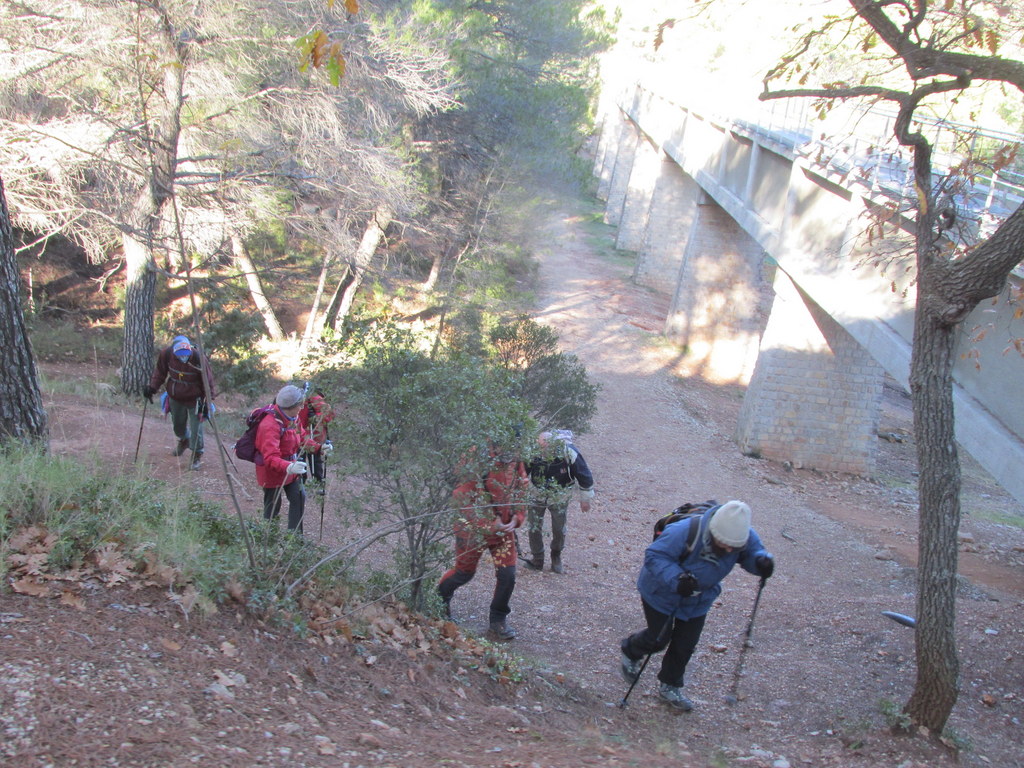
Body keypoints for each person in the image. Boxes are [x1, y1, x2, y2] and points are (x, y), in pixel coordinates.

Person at [619, 500, 774, 711]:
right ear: (713, 531)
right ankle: (631, 650)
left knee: (685, 645)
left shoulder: (743, 535)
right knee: (658, 638)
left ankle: (670, 686)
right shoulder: (683, 531)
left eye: (733, 547)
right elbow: (654, 556)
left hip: (699, 599)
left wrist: (761, 563)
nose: (729, 548)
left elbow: (753, 554)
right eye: (724, 543)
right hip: (661, 592)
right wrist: (677, 579)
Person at [437, 447, 529, 641]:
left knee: (508, 575)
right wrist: (487, 525)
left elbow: (521, 488)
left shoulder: (516, 458)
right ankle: (438, 603)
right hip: (471, 531)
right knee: (464, 573)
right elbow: (461, 500)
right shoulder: (475, 457)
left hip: (502, 529)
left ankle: (498, 620)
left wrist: (517, 517)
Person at [523, 430, 595, 574]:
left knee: (559, 528)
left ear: (553, 444)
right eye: (540, 447)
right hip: (536, 493)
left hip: (560, 496)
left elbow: (584, 475)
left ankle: (556, 555)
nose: (542, 451)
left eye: (545, 448)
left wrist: (585, 500)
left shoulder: (569, 452)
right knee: (533, 526)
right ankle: (537, 558)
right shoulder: (533, 452)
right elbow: (522, 471)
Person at [143, 335, 216, 471]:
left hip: (196, 400)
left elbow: (209, 382)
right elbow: (160, 372)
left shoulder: (198, 358)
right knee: (178, 425)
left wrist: (207, 403)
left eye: (186, 355)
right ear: (174, 351)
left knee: (197, 430)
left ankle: (196, 455)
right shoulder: (167, 354)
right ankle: (184, 440)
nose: (183, 358)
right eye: (180, 355)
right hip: (175, 397)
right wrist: (152, 387)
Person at [256, 384, 308, 533]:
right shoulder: (269, 425)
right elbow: (270, 458)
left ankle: (294, 540)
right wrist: (289, 467)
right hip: (272, 473)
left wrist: (319, 447)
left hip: (291, 470)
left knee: (299, 497)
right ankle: (268, 542)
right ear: (291, 406)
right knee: (272, 507)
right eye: (300, 404)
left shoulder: (293, 418)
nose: (302, 407)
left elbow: (302, 436)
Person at [297, 390, 334, 489]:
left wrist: (314, 418)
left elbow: (328, 414)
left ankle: (318, 484)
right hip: (298, 433)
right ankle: (301, 484)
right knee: (300, 459)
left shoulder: (313, 397)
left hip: (313, 434)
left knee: (315, 458)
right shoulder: (293, 397)